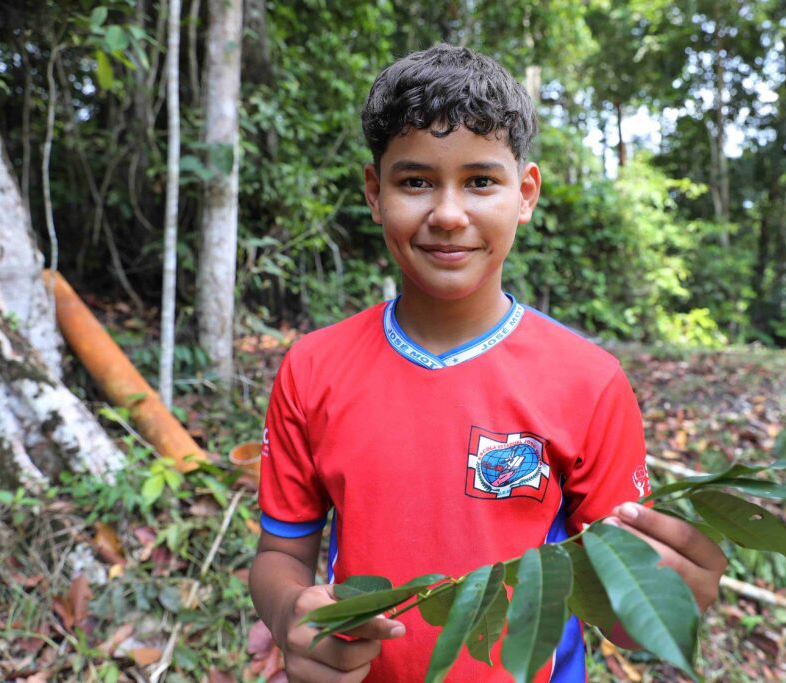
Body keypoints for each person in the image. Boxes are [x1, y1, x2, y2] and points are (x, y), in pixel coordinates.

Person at [249, 43, 727, 683]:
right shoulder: (313, 368)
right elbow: (281, 552)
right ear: (374, 191)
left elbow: (615, 604)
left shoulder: (589, 383)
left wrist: (669, 595)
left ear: (524, 193)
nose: (448, 214)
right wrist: (291, 617)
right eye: (416, 181)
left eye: (480, 181)